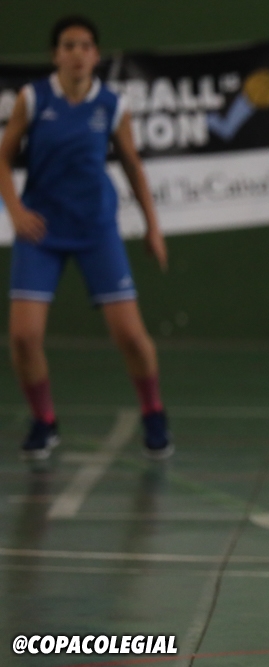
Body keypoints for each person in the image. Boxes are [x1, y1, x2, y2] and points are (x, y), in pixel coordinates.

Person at [0, 15, 171, 461]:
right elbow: (2, 157)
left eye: (85, 45)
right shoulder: (33, 99)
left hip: (96, 229)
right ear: (55, 54)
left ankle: (153, 412)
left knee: (131, 336)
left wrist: (153, 226)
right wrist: (15, 210)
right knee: (23, 337)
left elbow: (132, 165)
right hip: (42, 232)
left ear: (96, 55)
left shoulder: (111, 105)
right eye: (68, 45)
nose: (77, 53)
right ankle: (44, 421)